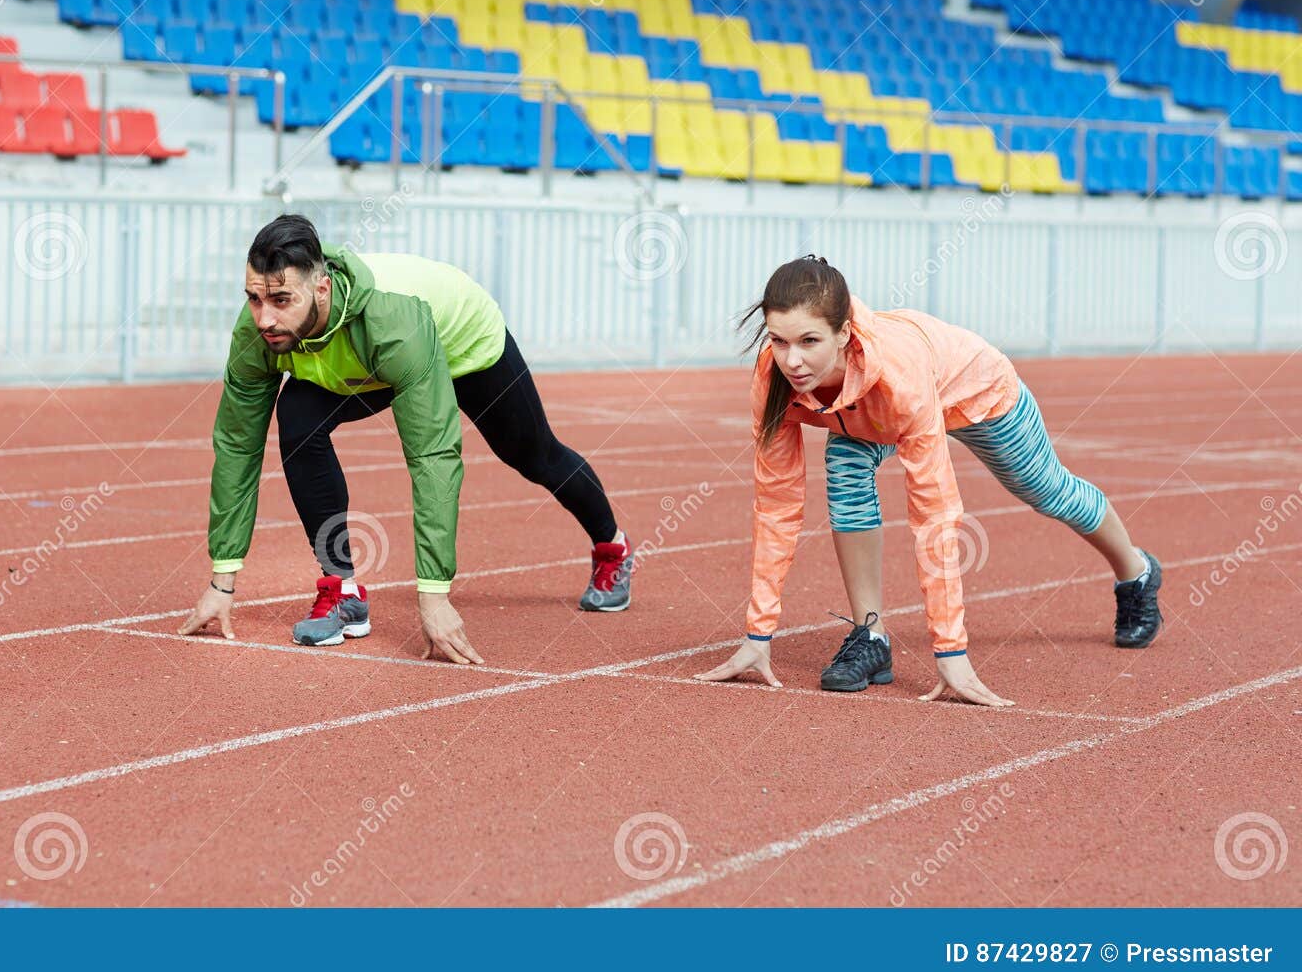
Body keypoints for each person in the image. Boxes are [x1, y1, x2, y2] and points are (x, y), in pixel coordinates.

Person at [696, 255, 1161, 705]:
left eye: (809, 342)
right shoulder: (772, 378)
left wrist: (951, 651)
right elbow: (776, 505)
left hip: (975, 391)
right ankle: (870, 635)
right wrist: (758, 634)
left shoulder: (898, 378)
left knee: (1045, 489)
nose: (792, 360)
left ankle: (1136, 572)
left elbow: (934, 514)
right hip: (869, 414)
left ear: (843, 333)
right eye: (779, 341)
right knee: (846, 463)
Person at [178, 214, 633, 663]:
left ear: (322, 288)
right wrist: (223, 580)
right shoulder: (259, 330)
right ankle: (343, 590)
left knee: (534, 455)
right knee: (297, 420)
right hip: (366, 362)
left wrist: (434, 596)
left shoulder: (392, 320)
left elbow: (432, 454)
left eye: (280, 299)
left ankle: (612, 546)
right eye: (255, 299)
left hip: (461, 344)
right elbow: (238, 444)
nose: (265, 317)